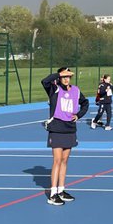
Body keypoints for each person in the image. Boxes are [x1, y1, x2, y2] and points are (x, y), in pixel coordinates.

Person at [41, 68, 90, 206]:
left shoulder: (75, 90)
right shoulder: (54, 89)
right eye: (63, 76)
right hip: (56, 128)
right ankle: (53, 193)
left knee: (64, 160)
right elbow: (44, 81)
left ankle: (61, 190)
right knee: (57, 160)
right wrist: (58, 74)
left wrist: (79, 115)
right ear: (59, 78)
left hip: (70, 128)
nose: (66, 79)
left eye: (68, 76)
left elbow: (85, 103)